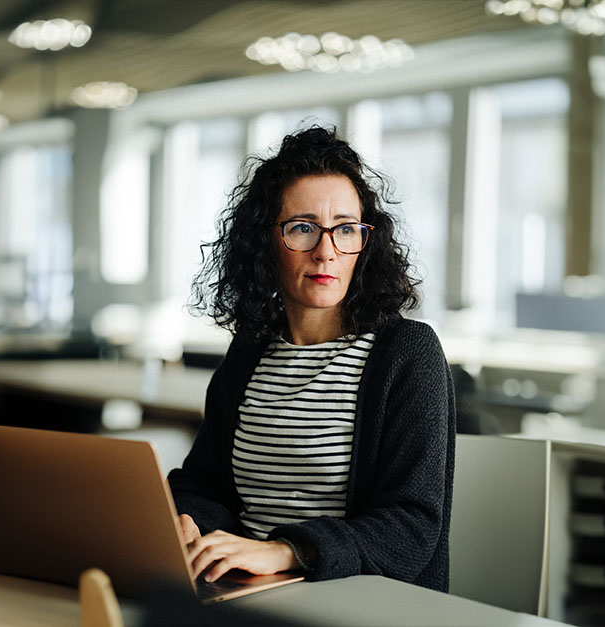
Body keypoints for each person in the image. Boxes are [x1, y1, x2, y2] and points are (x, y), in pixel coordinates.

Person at [167, 125, 455, 592]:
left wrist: (288, 551)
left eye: (344, 229)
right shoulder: (250, 351)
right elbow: (202, 483)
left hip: (359, 600)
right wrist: (189, 519)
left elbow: (411, 526)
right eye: (303, 228)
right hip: (242, 590)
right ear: (266, 242)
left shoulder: (406, 353)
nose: (326, 252)